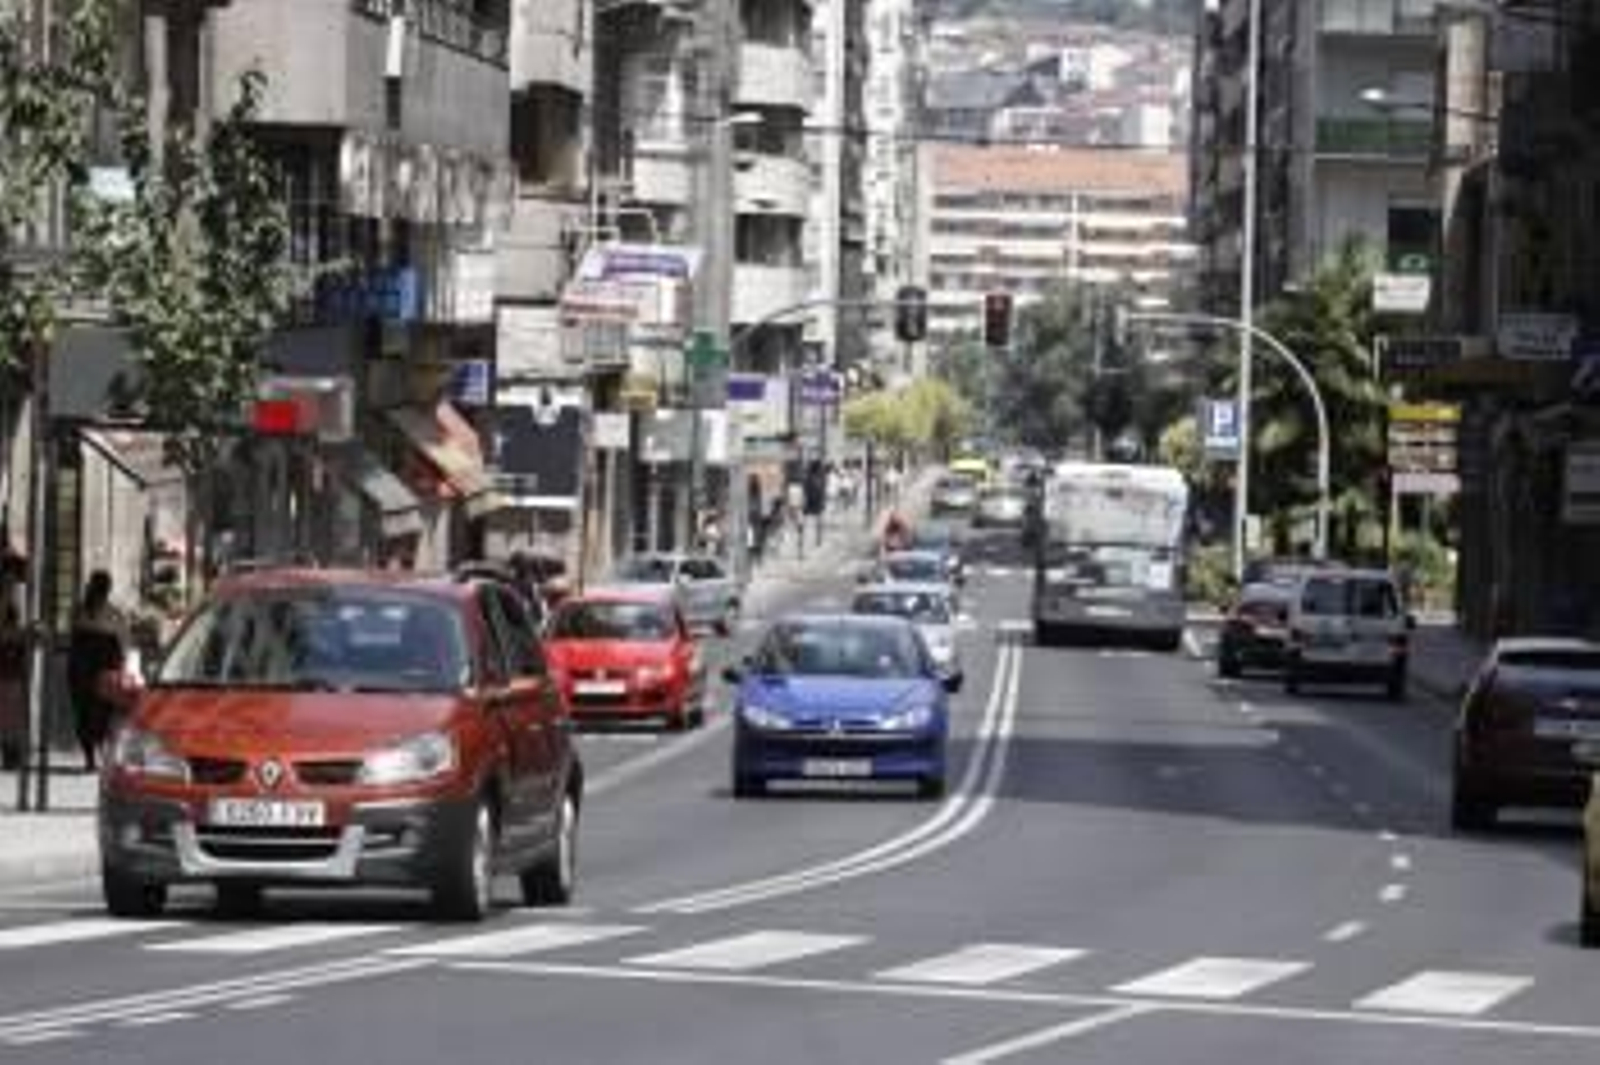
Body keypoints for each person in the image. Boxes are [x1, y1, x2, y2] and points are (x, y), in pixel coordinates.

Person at [67, 571, 129, 772]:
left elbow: (122, 644)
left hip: (87, 666)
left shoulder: (85, 611)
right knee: (95, 712)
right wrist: (121, 665)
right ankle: (93, 756)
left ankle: (92, 757)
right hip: (93, 665)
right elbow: (123, 644)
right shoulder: (109, 613)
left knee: (91, 711)